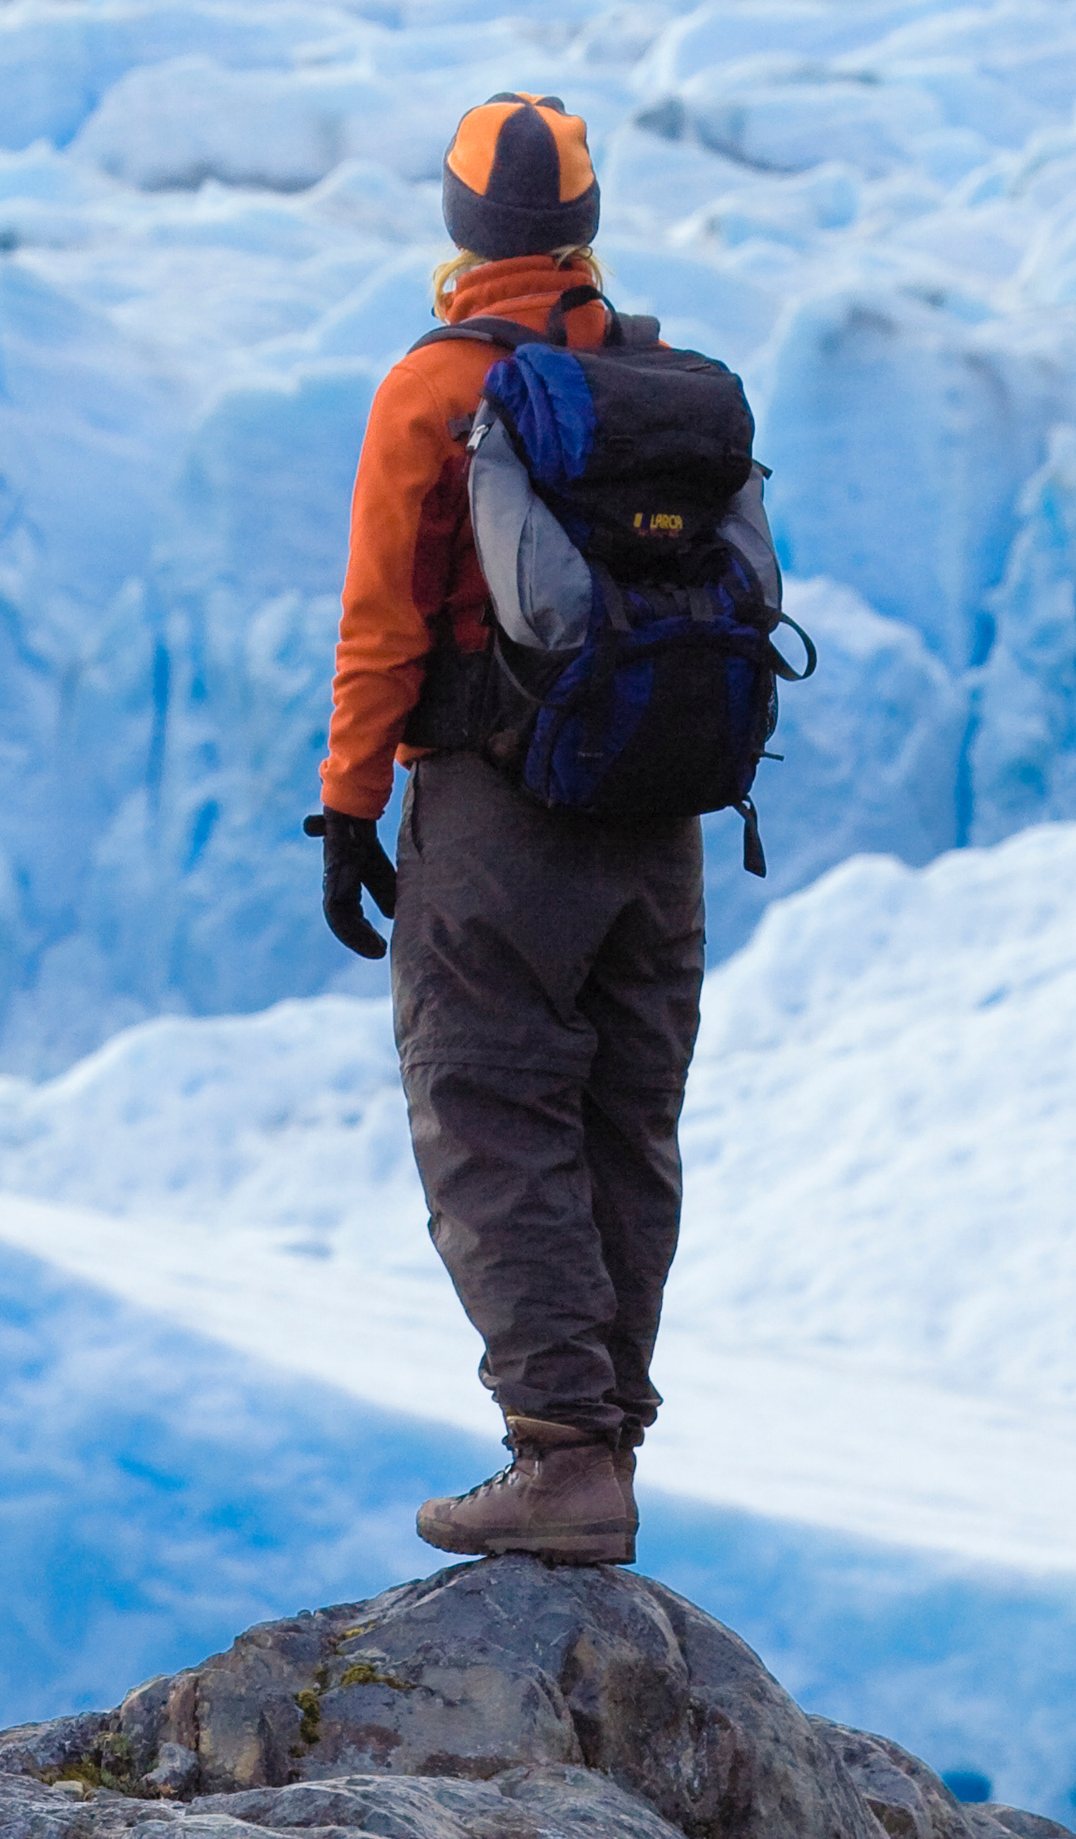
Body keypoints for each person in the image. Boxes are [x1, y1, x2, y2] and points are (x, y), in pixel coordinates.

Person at [311, 92, 702, 1568]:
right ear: (583, 228)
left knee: (487, 1105)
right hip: (660, 817)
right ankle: (606, 1432)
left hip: (502, 802)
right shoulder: (656, 379)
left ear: (466, 227)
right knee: (623, 1118)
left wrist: (351, 808)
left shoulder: (437, 387)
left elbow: (382, 621)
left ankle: (559, 1452)